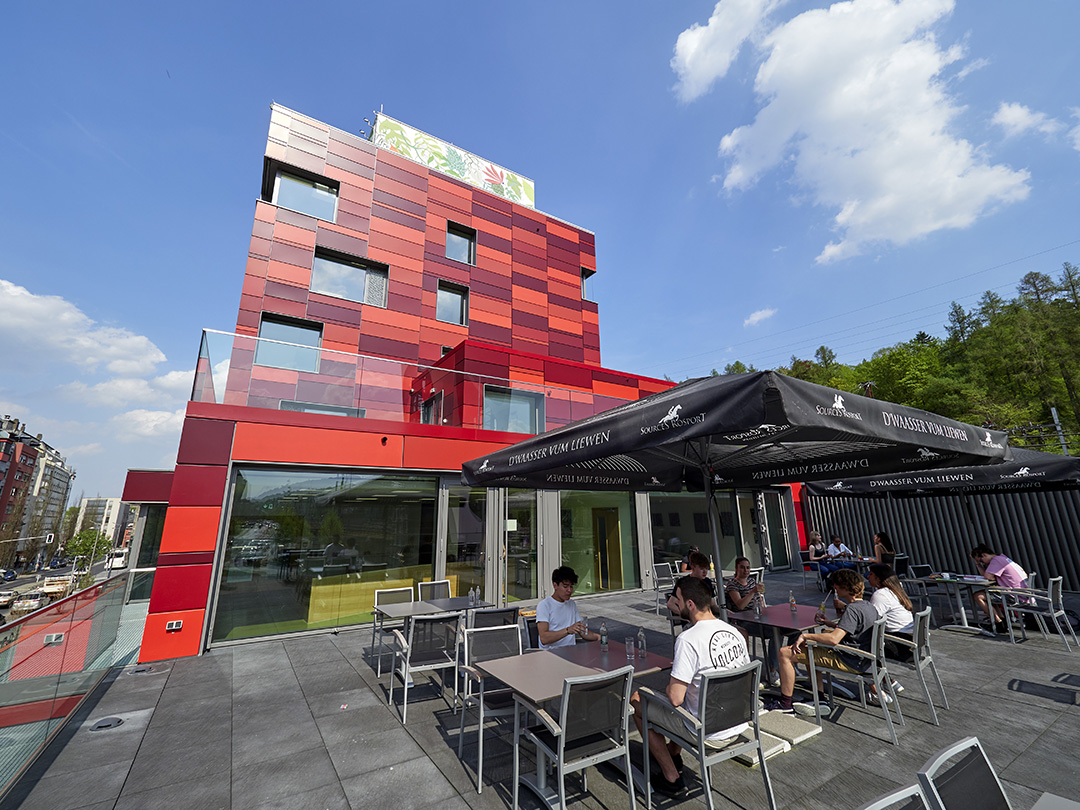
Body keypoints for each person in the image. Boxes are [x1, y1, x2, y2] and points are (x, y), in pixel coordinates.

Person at [630, 576, 750, 797]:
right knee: (689, 696)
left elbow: (675, 699)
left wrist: (671, 686)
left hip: (707, 732)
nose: (675, 603)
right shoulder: (735, 632)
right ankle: (673, 754)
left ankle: (671, 777)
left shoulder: (688, 639)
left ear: (690, 604)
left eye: (677, 599)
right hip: (738, 722)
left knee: (638, 699)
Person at [764, 568, 880, 715]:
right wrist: (830, 623)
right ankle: (819, 699)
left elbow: (833, 639)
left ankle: (785, 704)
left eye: (837, 584)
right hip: (864, 659)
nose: (834, 587)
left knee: (784, 653)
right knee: (810, 649)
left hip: (849, 660)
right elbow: (856, 629)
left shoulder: (852, 610)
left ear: (845, 587)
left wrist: (806, 636)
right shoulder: (869, 607)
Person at [536, 565, 600, 648]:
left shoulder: (571, 604)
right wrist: (568, 630)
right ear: (555, 586)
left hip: (571, 651)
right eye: (565, 586)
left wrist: (599, 637)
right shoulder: (544, 605)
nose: (569, 590)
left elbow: (583, 632)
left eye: (571, 586)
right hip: (552, 652)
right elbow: (544, 639)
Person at [970, 544, 1029, 624]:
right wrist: (978, 563)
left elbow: (987, 576)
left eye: (981, 561)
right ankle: (1001, 620)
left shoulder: (996, 561)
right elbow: (987, 576)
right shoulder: (1002, 558)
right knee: (989, 594)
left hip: (1015, 595)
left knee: (978, 596)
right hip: (1021, 593)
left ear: (984, 555)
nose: (983, 563)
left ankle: (999, 623)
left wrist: (978, 565)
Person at [867, 563, 914, 661]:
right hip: (909, 636)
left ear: (879, 578)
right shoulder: (896, 589)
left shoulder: (881, 594)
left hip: (897, 642)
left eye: (871, 574)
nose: (868, 577)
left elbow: (871, 620)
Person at [666, 550, 716, 614]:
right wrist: (686, 615)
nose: (705, 572)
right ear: (693, 567)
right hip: (691, 618)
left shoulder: (707, 582)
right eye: (701, 568)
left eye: (706, 568)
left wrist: (725, 612)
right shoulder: (683, 583)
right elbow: (670, 604)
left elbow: (713, 605)